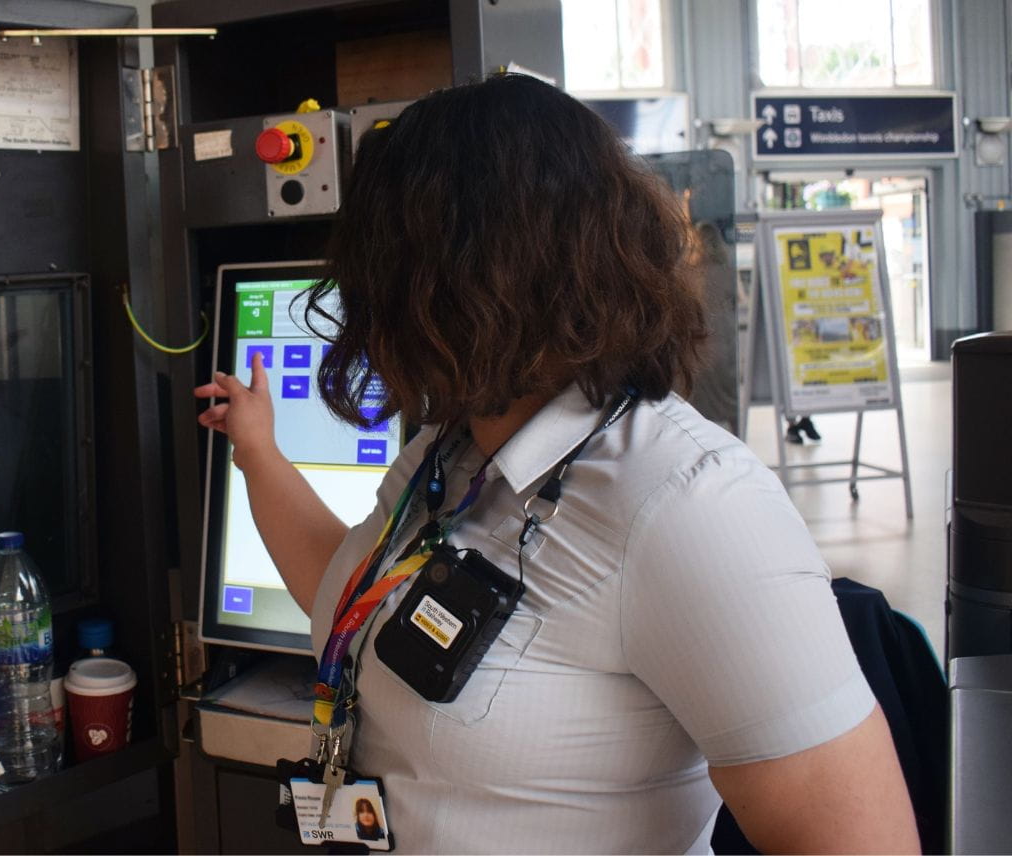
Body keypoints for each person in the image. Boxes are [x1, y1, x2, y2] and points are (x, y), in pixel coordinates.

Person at [194, 74, 918, 853]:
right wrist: (258, 453)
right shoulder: (450, 451)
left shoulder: (691, 506)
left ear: (453, 281)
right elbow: (353, 599)